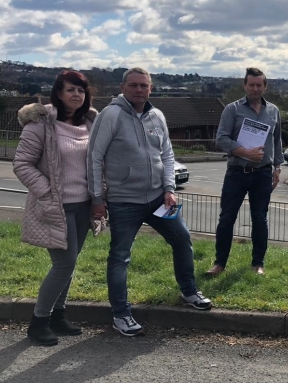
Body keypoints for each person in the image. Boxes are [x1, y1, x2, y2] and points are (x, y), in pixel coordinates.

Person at [88, 67, 211, 337]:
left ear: (151, 88)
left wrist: (169, 188)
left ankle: (189, 292)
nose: (139, 90)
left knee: (182, 239)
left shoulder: (157, 116)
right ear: (122, 87)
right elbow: (94, 158)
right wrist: (97, 199)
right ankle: (121, 314)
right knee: (120, 257)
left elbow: (167, 155)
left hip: (159, 198)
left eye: (144, 85)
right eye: (133, 85)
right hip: (124, 202)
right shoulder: (111, 115)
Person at [13, 70, 104, 346]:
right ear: (58, 93)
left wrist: (100, 197)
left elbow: (98, 162)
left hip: (83, 205)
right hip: (56, 207)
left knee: (70, 263)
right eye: (70, 90)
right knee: (63, 265)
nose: (77, 95)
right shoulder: (41, 123)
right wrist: (47, 193)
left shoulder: (91, 122)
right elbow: (22, 164)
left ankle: (58, 316)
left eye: (81, 90)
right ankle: (38, 322)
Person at [206, 67, 283, 277]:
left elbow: (277, 141)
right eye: (251, 84)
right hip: (237, 172)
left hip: (263, 174)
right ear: (245, 86)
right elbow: (221, 139)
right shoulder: (232, 109)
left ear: (265, 86)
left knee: (260, 219)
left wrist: (277, 167)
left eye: (259, 85)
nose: (255, 88)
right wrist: (245, 153)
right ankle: (219, 264)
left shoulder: (273, 111)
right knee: (227, 218)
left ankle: (258, 264)